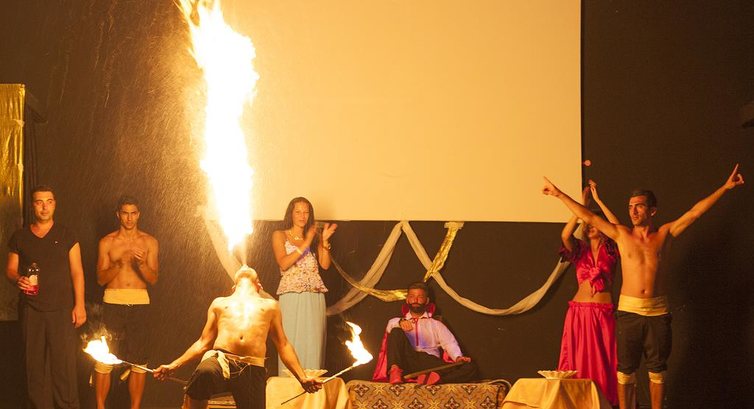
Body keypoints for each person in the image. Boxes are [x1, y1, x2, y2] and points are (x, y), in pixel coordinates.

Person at [543, 164, 744, 409]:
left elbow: (695, 213)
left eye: (638, 206)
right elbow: (589, 217)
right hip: (629, 312)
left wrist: (725, 187)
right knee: (625, 371)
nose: (633, 211)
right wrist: (558, 194)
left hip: (658, 312)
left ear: (652, 210)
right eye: (630, 207)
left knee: (657, 371)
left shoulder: (665, 234)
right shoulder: (622, 235)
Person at [153, 267, 321, 409]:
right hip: (222, 361)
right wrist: (174, 365)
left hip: (252, 367)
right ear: (233, 287)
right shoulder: (220, 303)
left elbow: (283, 345)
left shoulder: (270, 306)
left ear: (259, 285)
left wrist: (302, 377)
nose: (245, 267)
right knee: (203, 373)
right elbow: (203, 342)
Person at [6, 185, 87, 409]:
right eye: (39, 202)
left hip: (62, 310)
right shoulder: (20, 236)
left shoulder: (66, 234)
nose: (44, 207)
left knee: (65, 368)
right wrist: (18, 279)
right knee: (34, 369)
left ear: (55, 204)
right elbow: (10, 270)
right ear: (32, 205)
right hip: (31, 310)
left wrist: (80, 305)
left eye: (49, 202)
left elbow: (77, 272)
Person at [557, 181, 620, 406]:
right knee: (578, 361)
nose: (590, 226)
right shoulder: (580, 250)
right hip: (579, 313)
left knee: (604, 361)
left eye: (594, 223)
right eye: (588, 223)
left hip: (602, 313)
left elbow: (618, 227)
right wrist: (581, 207)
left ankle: (603, 402)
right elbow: (565, 234)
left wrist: (599, 202)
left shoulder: (612, 249)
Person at [94, 195, 159, 409]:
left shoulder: (149, 242)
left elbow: (153, 279)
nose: (129, 218)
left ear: (138, 214)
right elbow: (100, 279)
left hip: (140, 303)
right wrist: (119, 264)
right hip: (113, 301)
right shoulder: (107, 242)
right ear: (118, 215)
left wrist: (141, 264)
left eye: (133, 213)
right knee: (104, 357)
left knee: (139, 361)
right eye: (125, 213)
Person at [271, 197, 337, 375]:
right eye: (298, 212)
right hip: (291, 295)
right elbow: (284, 263)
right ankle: (288, 386)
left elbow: (325, 265)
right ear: (291, 214)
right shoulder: (280, 235)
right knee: (291, 341)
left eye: (306, 212)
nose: (302, 216)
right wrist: (306, 243)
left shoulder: (314, 237)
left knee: (313, 342)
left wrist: (324, 242)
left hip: (314, 295)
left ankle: (311, 386)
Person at [380, 282, 477, 385]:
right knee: (396, 331)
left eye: (420, 297)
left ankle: (436, 379)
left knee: (470, 367)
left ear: (426, 301)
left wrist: (458, 357)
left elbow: (449, 343)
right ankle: (395, 371)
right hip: (408, 362)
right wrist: (400, 322)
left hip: (430, 363)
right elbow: (390, 326)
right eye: (412, 297)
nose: (415, 300)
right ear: (407, 300)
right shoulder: (397, 322)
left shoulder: (436, 324)